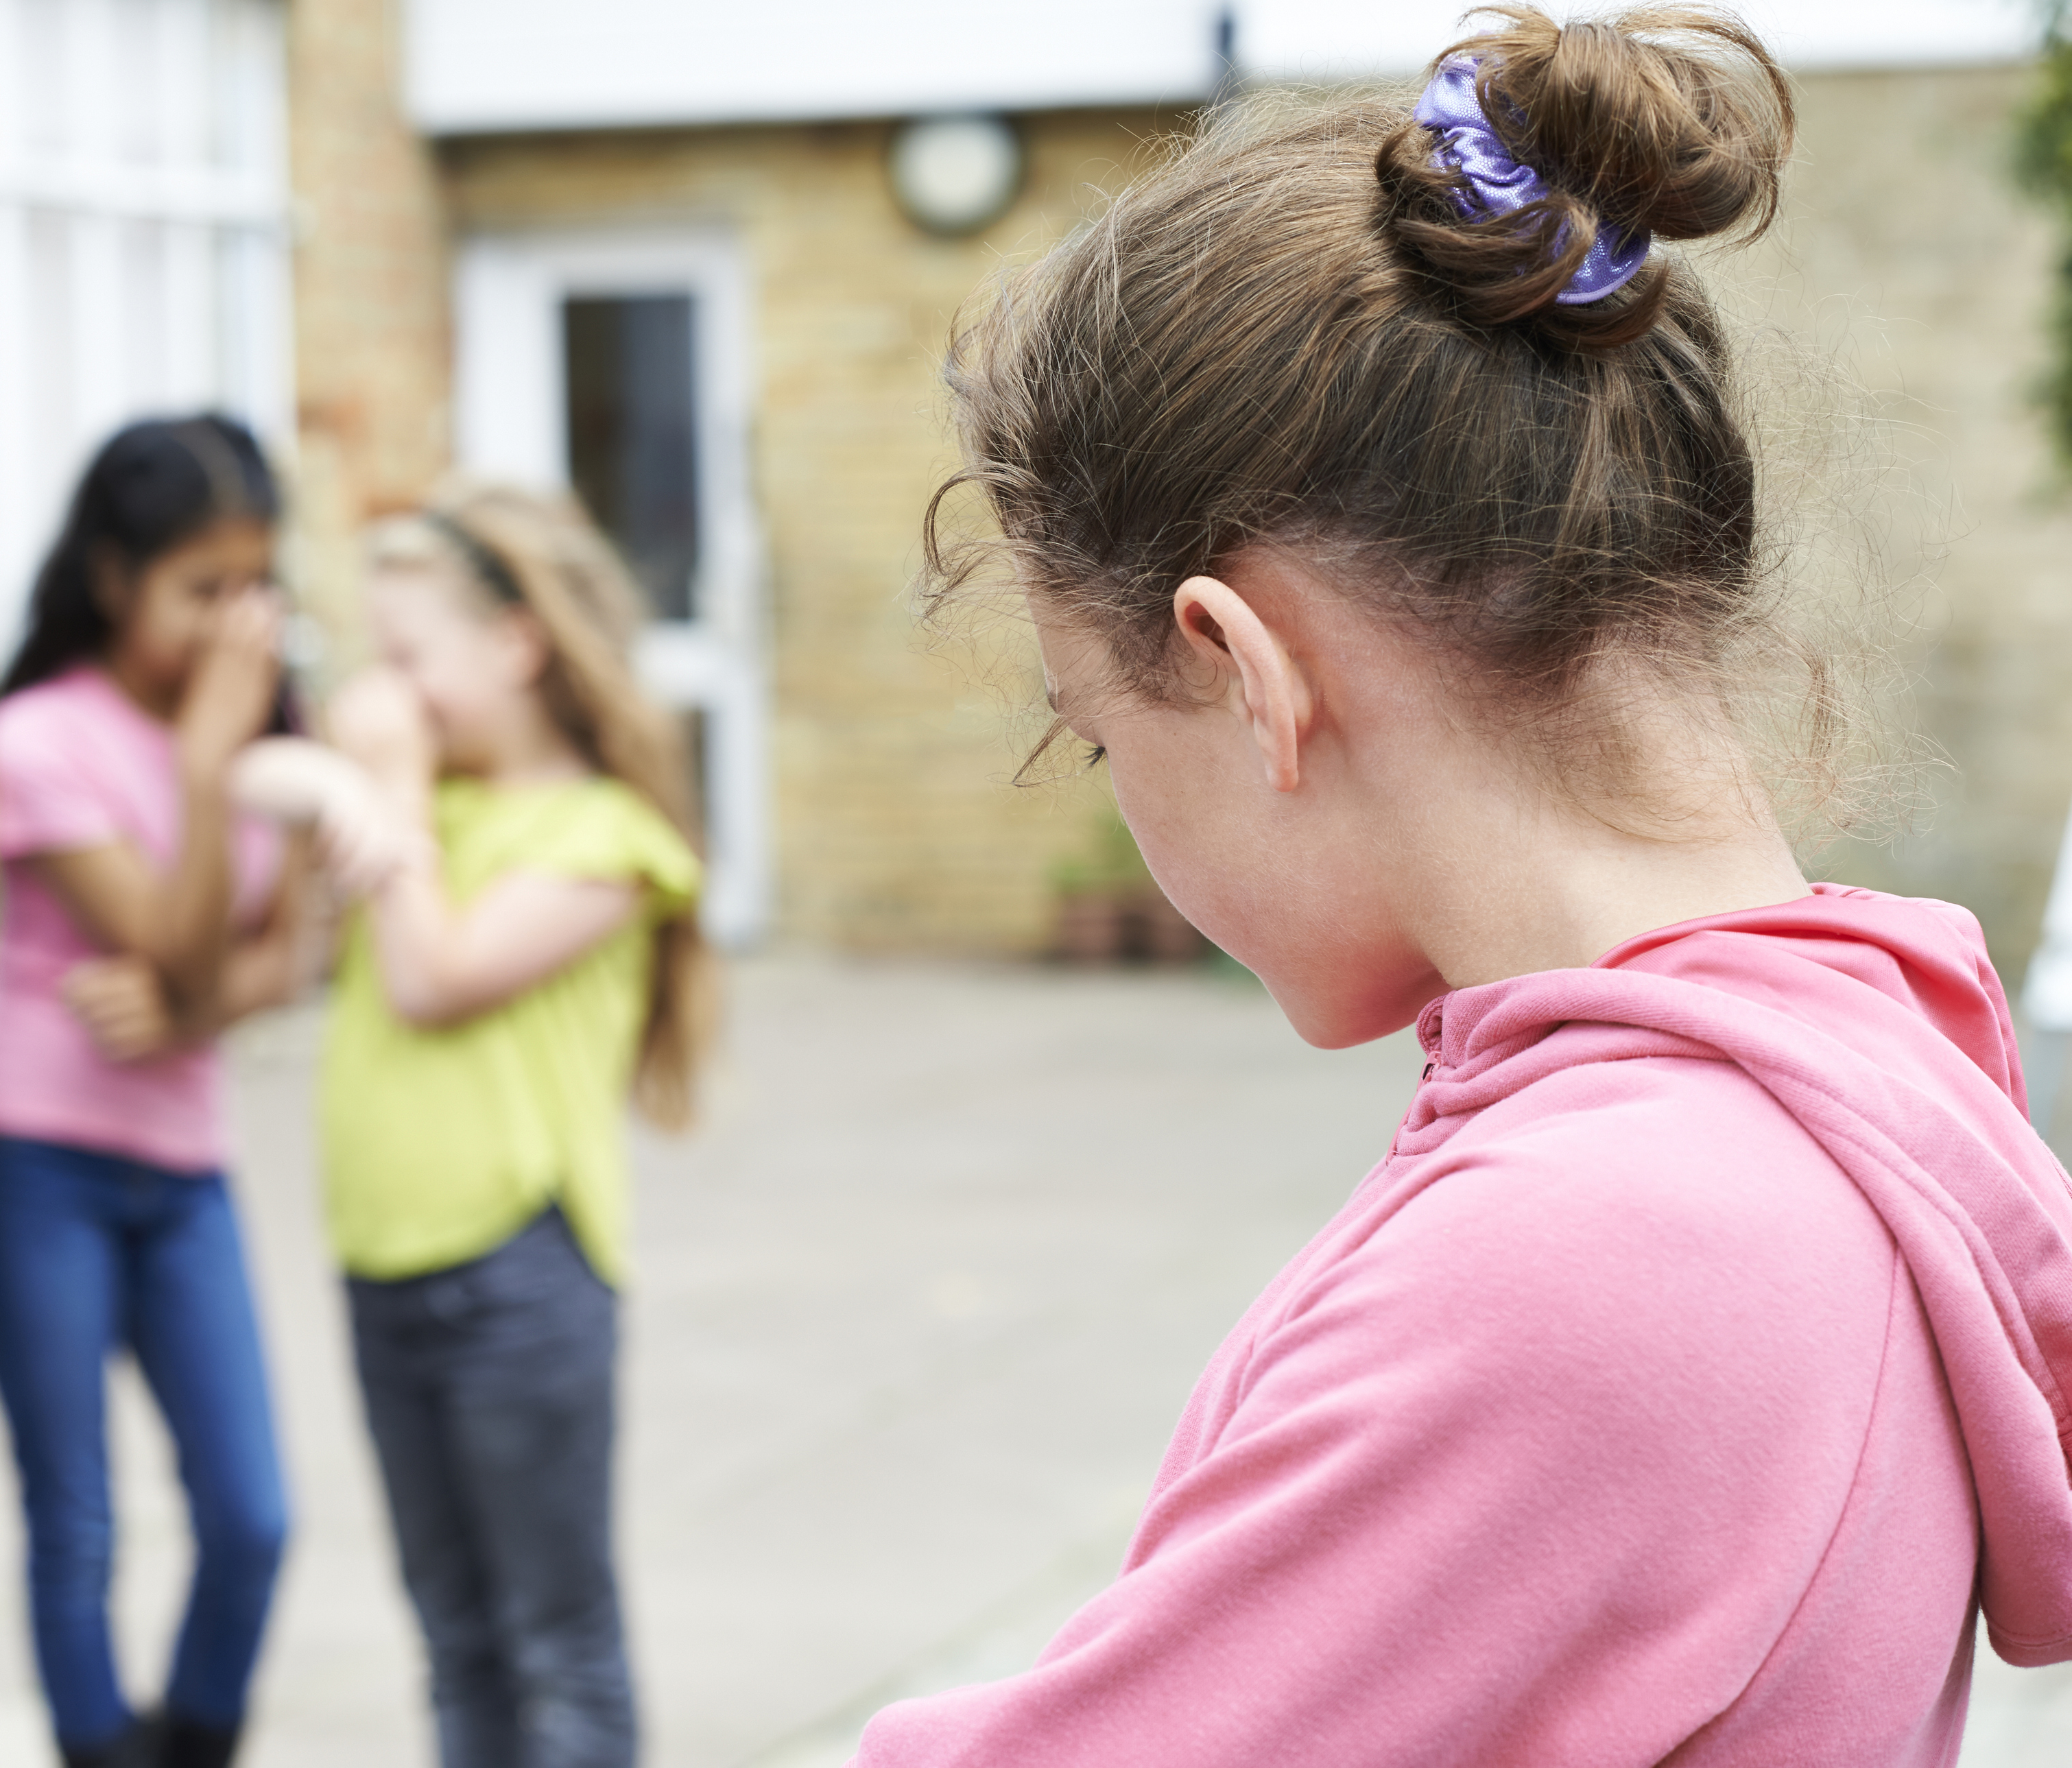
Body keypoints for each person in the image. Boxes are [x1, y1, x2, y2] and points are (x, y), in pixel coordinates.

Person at [854, 8, 2072, 1765]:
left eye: (1099, 739)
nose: (1121, 807)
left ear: (1242, 668)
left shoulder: (1604, 1256)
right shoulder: (1835, 1093)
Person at [234, 486, 713, 1768]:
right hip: (382, 1264)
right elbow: (257, 770)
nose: (385, 693)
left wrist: (381, 794)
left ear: (516, 647)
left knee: (556, 1639)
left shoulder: (605, 839)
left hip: (519, 1275)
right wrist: (342, 779)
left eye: (407, 659)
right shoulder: (415, 819)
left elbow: (430, 979)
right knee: (452, 1635)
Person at [0, 415, 398, 1768]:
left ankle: (194, 1743)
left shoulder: (275, 731)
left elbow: (288, 955)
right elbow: (176, 935)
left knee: (253, 1510)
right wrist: (212, 775)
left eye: (253, 586)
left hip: (183, 1156)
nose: (234, 626)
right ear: (111, 576)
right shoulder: (39, 737)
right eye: (199, 591)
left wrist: (194, 998)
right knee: (76, 1514)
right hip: (35, 1156)